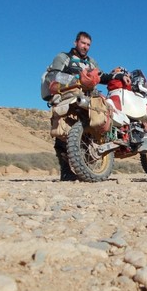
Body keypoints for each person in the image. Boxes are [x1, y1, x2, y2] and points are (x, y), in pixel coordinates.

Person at [45, 31, 130, 181]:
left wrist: (118, 76)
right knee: (62, 132)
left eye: (88, 44)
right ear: (75, 43)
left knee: (95, 127)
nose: (85, 47)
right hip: (68, 96)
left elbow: (101, 76)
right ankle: (66, 171)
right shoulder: (63, 57)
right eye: (83, 43)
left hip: (90, 99)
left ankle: (87, 167)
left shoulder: (91, 62)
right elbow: (53, 76)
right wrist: (77, 78)